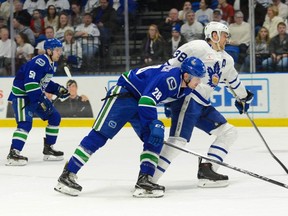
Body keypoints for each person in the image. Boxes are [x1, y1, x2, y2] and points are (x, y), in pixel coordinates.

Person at [54, 56, 207, 197]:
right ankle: (67, 175)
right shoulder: (170, 79)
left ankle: (144, 182)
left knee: (153, 139)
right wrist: (152, 123)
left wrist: (155, 124)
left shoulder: (184, 85)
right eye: (197, 78)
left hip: (139, 100)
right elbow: (147, 100)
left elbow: (155, 97)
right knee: (99, 136)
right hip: (125, 95)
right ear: (186, 75)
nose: (199, 82)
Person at [151, 21, 254, 188]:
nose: (227, 39)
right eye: (225, 35)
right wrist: (167, 95)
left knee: (229, 132)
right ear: (214, 35)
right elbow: (170, 67)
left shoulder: (227, 60)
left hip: (203, 104)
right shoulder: (197, 47)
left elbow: (234, 82)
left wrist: (244, 97)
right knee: (178, 141)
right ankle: (148, 178)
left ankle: (207, 170)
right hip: (187, 99)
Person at [5, 38, 70, 166]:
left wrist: (58, 89)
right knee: (25, 123)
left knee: (54, 117)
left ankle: (48, 149)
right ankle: (13, 153)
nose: (60, 53)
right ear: (49, 50)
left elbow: (44, 82)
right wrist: (40, 101)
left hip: (34, 96)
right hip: (21, 96)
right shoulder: (39, 62)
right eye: (57, 50)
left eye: (60, 50)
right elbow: (30, 83)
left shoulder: (50, 63)